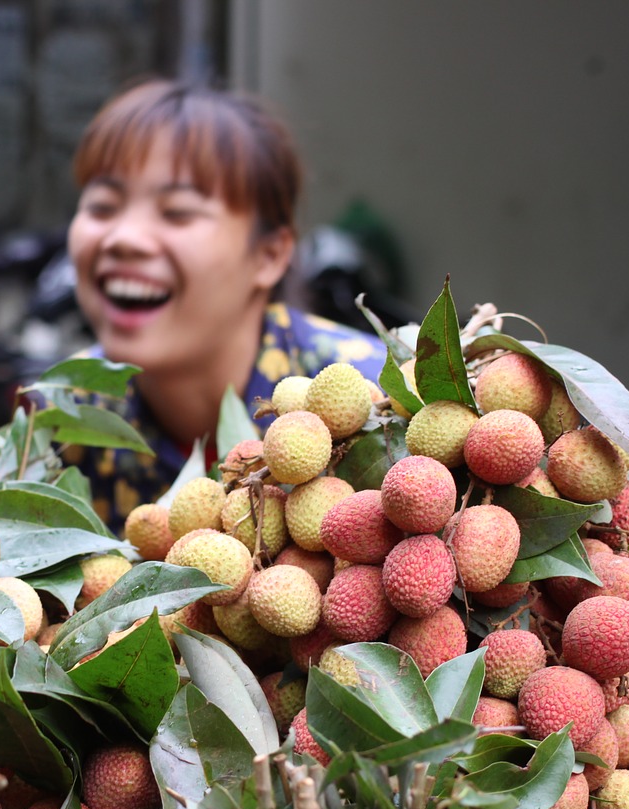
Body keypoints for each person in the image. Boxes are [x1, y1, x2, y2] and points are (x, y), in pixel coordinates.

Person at [61, 78, 387, 534]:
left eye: (177, 212)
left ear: (269, 255)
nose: (123, 238)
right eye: (102, 206)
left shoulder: (376, 401)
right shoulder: (61, 416)